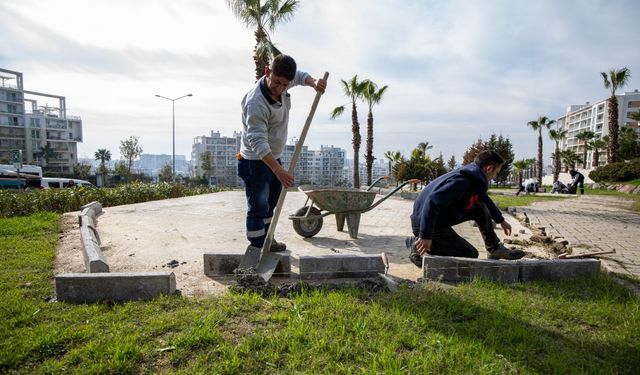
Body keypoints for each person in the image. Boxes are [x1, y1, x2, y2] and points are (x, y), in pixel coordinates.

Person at [238, 54, 327, 253]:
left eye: (284, 85)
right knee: (258, 206)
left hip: (273, 158)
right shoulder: (256, 102)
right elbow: (258, 142)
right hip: (254, 161)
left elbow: (301, 76)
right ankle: (257, 247)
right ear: (267, 72)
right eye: (277, 82)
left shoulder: (285, 81)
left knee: (271, 204)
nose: (279, 88)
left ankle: (268, 240)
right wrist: (279, 171)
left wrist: (314, 83)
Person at [405, 150, 526, 266]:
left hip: (436, 218)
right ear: (489, 169)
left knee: (479, 208)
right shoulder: (463, 181)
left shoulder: (473, 177)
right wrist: (425, 235)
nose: (495, 176)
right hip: (425, 222)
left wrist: (501, 220)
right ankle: (417, 245)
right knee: (469, 254)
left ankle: (494, 249)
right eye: (496, 172)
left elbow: (484, 199)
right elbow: (432, 202)